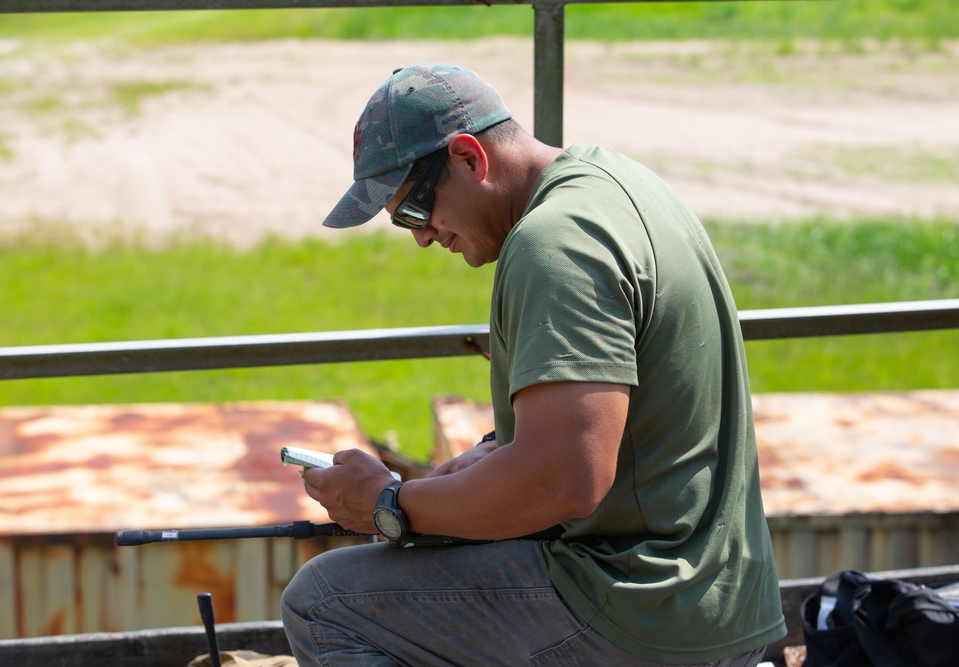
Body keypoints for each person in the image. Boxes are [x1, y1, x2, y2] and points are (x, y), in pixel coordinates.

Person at [281, 62, 787, 666]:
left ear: (470, 158)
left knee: (323, 599)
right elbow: (610, 417)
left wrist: (390, 506)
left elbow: (561, 480)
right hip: (723, 597)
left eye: (414, 211)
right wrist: (495, 452)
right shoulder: (616, 184)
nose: (419, 237)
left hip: (645, 605)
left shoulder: (554, 243)